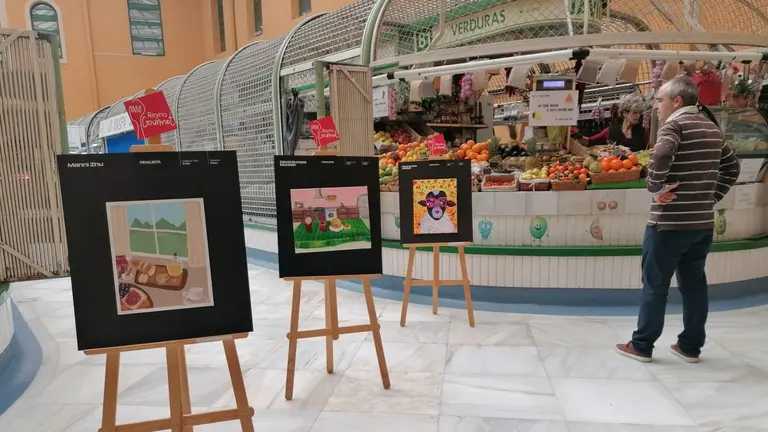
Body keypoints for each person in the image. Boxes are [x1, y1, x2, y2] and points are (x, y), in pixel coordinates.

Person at [615, 76, 741, 363]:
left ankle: (642, 345)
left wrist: (655, 188)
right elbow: (733, 167)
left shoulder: (674, 125)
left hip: (668, 225)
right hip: (701, 225)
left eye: (660, 100)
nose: (656, 105)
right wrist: (710, 197)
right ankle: (690, 346)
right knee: (694, 285)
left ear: (677, 101)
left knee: (655, 285)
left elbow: (660, 154)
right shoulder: (712, 128)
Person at [579, 93, 650, 152]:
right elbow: (589, 141)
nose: (638, 115)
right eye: (635, 112)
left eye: (639, 113)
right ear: (625, 113)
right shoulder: (611, 132)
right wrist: (576, 135)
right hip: (615, 166)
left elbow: (648, 150)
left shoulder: (643, 132)